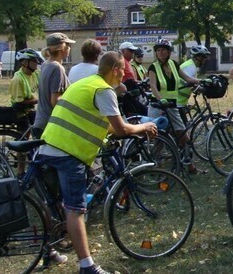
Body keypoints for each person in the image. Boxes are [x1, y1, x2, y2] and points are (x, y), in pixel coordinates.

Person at [38, 51, 158, 274]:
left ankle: (48, 251)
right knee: (75, 209)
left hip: (49, 146)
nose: (124, 74)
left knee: (53, 205)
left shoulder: (85, 84)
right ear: (114, 69)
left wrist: (111, 134)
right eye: (122, 70)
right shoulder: (103, 90)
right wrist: (143, 127)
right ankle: (87, 266)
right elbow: (121, 128)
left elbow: (105, 125)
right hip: (68, 152)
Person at [147, 39, 202, 173]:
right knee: (158, 136)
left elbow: (187, 79)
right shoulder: (153, 67)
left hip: (172, 105)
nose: (160, 52)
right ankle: (157, 166)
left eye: (164, 50)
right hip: (157, 105)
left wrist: (203, 81)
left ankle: (190, 164)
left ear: (169, 52)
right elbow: (153, 86)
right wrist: (161, 100)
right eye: (158, 50)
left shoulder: (174, 65)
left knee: (183, 134)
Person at [33, 33, 74, 139]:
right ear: (62, 48)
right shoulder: (57, 68)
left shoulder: (46, 64)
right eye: (68, 46)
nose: (70, 49)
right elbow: (55, 100)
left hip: (40, 122)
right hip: (50, 125)